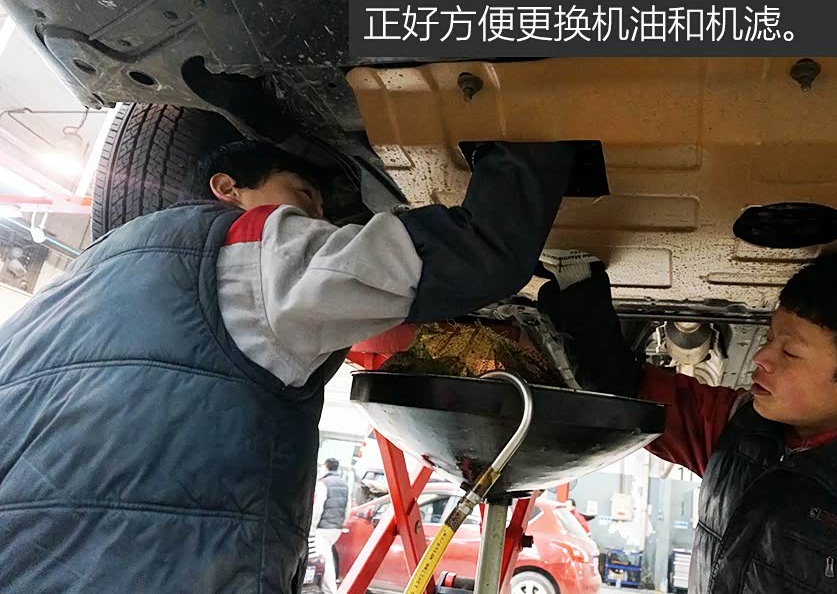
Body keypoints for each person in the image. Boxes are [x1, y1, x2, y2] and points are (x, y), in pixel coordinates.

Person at [0, 139, 576, 594]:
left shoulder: (72, 286)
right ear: (227, 188)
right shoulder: (253, 247)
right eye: (304, 196)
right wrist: (535, 121)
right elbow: (479, 254)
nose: (318, 218)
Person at [538, 253, 837, 594]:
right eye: (770, 338)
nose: (761, 358)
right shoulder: (741, 431)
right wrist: (576, 283)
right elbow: (632, 393)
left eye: (789, 352)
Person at [312, 458, 348, 594]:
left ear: (326, 467)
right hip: (336, 528)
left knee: (325, 560)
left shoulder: (323, 484)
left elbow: (318, 507)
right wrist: (341, 523)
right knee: (327, 557)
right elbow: (347, 507)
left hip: (323, 528)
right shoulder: (344, 485)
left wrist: (312, 526)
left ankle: (330, 590)